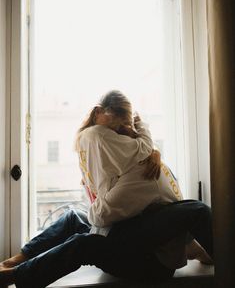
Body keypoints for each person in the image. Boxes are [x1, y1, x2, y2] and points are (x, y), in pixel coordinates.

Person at [0, 91, 213, 288]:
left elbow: (100, 217)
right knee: (73, 218)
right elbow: (163, 223)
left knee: (84, 244)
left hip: (149, 265)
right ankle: (16, 260)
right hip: (140, 242)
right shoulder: (134, 162)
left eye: (114, 134)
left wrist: (94, 195)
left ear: (122, 142)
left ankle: (15, 275)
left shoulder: (139, 174)